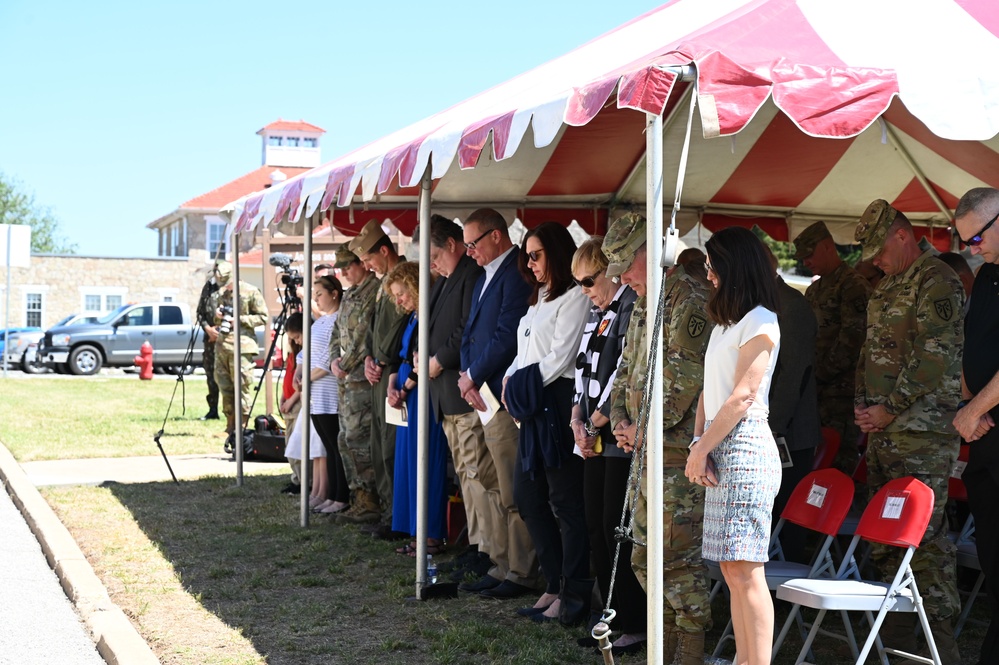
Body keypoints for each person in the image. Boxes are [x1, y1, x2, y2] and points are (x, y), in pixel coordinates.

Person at [853, 199, 964, 662]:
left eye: (880, 249)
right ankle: (898, 647)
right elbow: (873, 353)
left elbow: (933, 355)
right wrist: (864, 407)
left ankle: (942, 650)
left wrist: (889, 408)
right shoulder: (889, 284)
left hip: (921, 432)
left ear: (902, 234)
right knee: (886, 538)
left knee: (926, 542)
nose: (875, 260)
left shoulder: (937, 279)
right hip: (885, 432)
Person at [608, 214, 714, 662]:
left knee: (677, 564)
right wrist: (618, 419)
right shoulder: (642, 301)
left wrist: (640, 428)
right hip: (644, 455)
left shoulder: (688, 299)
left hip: (674, 458)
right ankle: (665, 651)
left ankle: (685, 654)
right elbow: (624, 371)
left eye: (624, 266)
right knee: (644, 559)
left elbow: (681, 386)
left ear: (648, 255)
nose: (619, 278)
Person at [684, 226, 782, 665]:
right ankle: (745, 659)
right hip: (720, 445)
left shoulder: (762, 319)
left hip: (745, 449)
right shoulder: (727, 323)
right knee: (730, 568)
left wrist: (701, 447)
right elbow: (710, 390)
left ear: (732, 266)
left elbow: (743, 395)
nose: (707, 274)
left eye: (710, 265)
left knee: (746, 570)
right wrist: (698, 442)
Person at [502, 222, 591, 623]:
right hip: (532, 404)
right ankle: (554, 583)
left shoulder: (574, 296)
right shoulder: (538, 297)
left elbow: (561, 357)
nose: (529, 263)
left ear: (555, 252)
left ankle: (573, 594)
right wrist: (509, 380)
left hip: (556, 404)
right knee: (529, 497)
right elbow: (525, 352)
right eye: (526, 255)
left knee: (566, 504)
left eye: (535, 254)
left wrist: (519, 384)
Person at [567, 236, 645, 651]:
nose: (585, 289)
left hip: (617, 434)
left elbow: (623, 372)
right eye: (578, 282)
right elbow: (583, 372)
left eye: (589, 280)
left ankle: (633, 620)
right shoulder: (595, 312)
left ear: (611, 272)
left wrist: (594, 423)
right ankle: (610, 616)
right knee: (596, 526)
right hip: (594, 434)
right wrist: (577, 419)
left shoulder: (630, 306)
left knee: (618, 529)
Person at [457, 208, 536, 599]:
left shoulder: (517, 272)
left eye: (473, 243)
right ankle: (502, 562)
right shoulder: (485, 274)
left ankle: (521, 571)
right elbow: (471, 332)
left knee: (511, 487)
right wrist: (465, 373)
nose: (469, 251)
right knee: (489, 481)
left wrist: (472, 375)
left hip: (502, 397)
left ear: (496, 236)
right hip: (481, 393)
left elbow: (507, 336)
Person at [423, 215, 490, 577]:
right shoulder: (446, 279)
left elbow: (466, 328)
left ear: (452, 244)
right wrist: (422, 354)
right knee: (465, 476)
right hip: (445, 395)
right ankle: (476, 544)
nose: (431, 265)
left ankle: (485, 549)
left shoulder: (470, 275)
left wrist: (437, 359)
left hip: (459, 390)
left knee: (476, 474)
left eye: (435, 255)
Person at [952, 187, 999, 665]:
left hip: (986, 427)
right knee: (991, 560)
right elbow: (974, 345)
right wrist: (971, 403)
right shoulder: (986, 276)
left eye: (978, 237)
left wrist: (970, 411)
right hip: (987, 441)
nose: (972, 248)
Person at [793, 221, 870, 474]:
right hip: (816, 391)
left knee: (839, 460)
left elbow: (853, 341)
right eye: (802, 258)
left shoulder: (853, 286)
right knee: (816, 459)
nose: (806, 262)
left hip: (841, 393)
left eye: (809, 255)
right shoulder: (815, 289)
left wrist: (820, 375)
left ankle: (842, 511)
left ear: (827, 247)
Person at [383, 261, 448, 555]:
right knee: (410, 464)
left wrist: (404, 387)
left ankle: (431, 535)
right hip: (409, 394)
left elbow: (424, 358)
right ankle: (416, 531)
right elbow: (402, 357)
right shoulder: (412, 318)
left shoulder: (430, 316)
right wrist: (393, 384)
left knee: (427, 463)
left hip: (424, 393)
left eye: (402, 293)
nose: (399, 300)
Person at [348, 219, 409, 537]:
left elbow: (400, 326)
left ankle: (395, 515)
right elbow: (374, 328)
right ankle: (387, 511)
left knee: (390, 447)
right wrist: (370, 358)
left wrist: (381, 358)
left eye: (369, 260)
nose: (367, 267)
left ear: (384, 251)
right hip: (379, 371)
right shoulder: (384, 282)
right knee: (377, 444)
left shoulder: (405, 278)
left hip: (394, 373)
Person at [764, 245, 822, 564]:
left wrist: (771, 428)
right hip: (774, 428)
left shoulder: (792, 306)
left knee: (788, 508)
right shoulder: (765, 303)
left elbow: (794, 373)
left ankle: (789, 576)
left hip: (790, 432)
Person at [328, 244, 379, 522]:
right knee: (345, 438)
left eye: (348, 265)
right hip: (345, 380)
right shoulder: (349, 295)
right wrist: (335, 359)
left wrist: (344, 365)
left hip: (360, 380)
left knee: (360, 440)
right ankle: (357, 496)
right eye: (341, 267)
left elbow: (363, 337)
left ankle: (370, 500)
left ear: (362, 262)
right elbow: (337, 330)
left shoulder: (374, 291)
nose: (344, 272)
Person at [213, 260, 268, 441]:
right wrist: (219, 316)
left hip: (242, 346)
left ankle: (242, 428)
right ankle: (229, 426)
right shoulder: (221, 293)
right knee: (225, 386)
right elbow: (217, 321)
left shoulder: (251, 291)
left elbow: (263, 317)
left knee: (242, 386)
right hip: (223, 345)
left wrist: (240, 320)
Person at [309, 275, 349, 515]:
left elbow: (329, 358)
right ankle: (332, 494)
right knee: (327, 445)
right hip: (316, 395)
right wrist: (300, 374)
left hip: (330, 392)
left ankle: (340, 496)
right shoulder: (319, 322)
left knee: (336, 447)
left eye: (320, 294)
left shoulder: (339, 320)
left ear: (334, 293)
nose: (317, 299)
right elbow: (307, 353)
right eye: (314, 296)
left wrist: (308, 377)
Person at [279, 312, 305, 494]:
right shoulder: (292, 355)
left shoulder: (303, 355)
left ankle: (304, 480)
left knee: (297, 444)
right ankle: (296, 478)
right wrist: (283, 398)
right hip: (288, 403)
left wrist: (290, 401)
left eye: (296, 337)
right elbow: (288, 379)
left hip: (296, 404)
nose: (293, 342)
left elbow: (300, 384)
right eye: (290, 338)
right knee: (289, 444)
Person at [196, 264, 222, 420]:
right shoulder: (208, 289)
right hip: (209, 341)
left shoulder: (233, 289)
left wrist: (220, 332)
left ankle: (232, 413)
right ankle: (213, 409)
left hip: (227, 339)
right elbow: (200, 313)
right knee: (211, 375)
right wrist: (208, 329)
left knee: (227, 377)